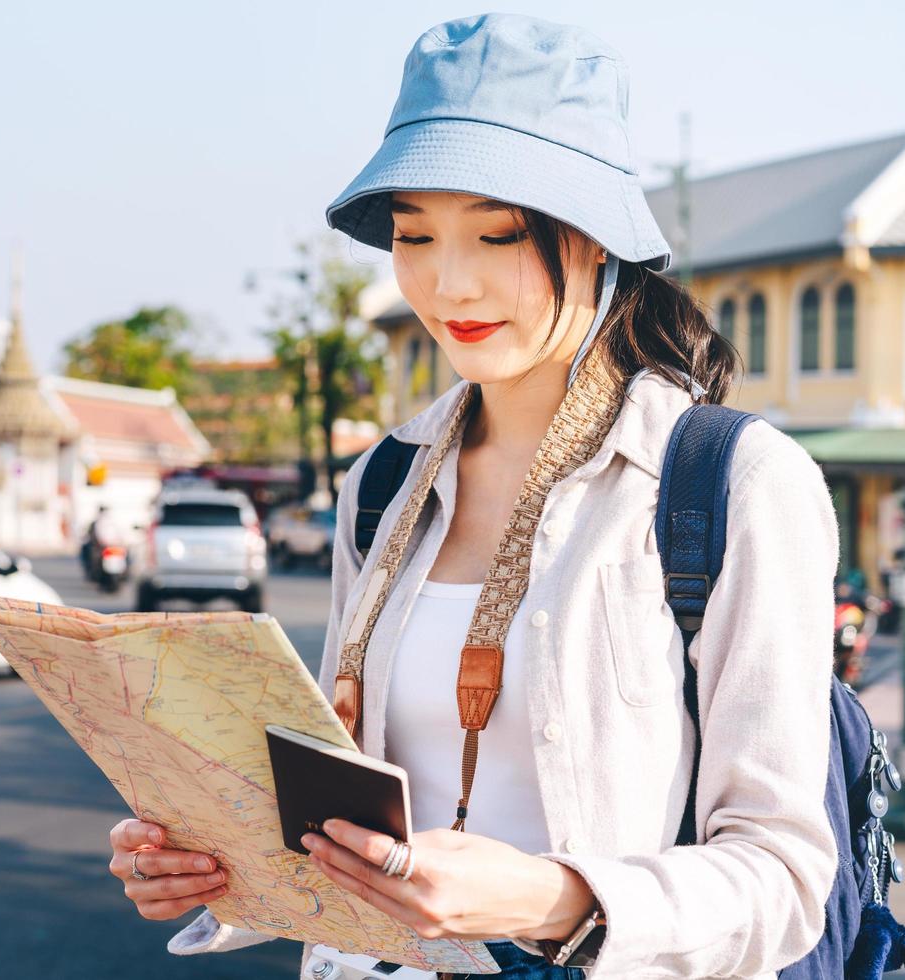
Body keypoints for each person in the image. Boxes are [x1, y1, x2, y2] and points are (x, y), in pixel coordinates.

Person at [106, 13, 838, 979]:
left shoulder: (729, 483)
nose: (449, 282)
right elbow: (336, 820)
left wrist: (553, 898)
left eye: (497, 233)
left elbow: (784, 881)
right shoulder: (382, 485)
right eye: (414, 234)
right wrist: (214, 866)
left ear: (597, 241)